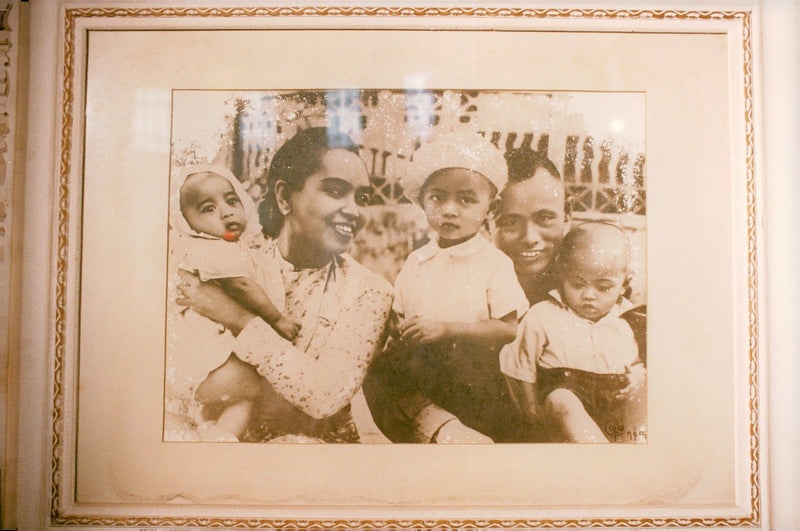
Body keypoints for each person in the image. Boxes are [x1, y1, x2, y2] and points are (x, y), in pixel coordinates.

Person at [173, 127, 393, 443]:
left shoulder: (369, 291)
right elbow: (181, 374)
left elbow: (325, 397)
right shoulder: (234, 264)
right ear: (284, 197)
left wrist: (236, 317)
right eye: (334, 191)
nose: (354, 210)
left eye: (362, 197)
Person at [382, 130, 530, 443]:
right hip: (421, 374)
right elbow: (398, 315)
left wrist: (446, 329)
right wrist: (399, 330)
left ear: (491, 206)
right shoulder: (417, 261)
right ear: (422, 201)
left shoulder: (493, 262)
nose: (450, 210)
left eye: (466, 199)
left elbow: (507, 329)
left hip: (474, 379)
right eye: (437, 197)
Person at [165, 164, 298, 441]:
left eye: (231, 200)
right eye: (207, 209)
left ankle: (218, 434)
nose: (226, 212)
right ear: (186, 221)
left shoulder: (217, 248)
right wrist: (277, 319)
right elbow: (243, 286)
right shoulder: (212, 249)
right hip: (206, 352)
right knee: (250, 387)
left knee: (239, 398)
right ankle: (221, 435)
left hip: (196, 355)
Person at [499, 221, 646, 442]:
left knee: (646, 394)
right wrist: (530, 404)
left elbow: (636, 363)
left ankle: (630, 452)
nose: (589, 295)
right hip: (564, 394)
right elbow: (520, 362)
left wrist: (636, 378)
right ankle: (600, 456)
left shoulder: (628, 319)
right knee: (563, 401)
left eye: (604, 287)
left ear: (624, 283)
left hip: (614, 396)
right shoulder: (543, 315)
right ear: (562, 274)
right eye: (577, 284)